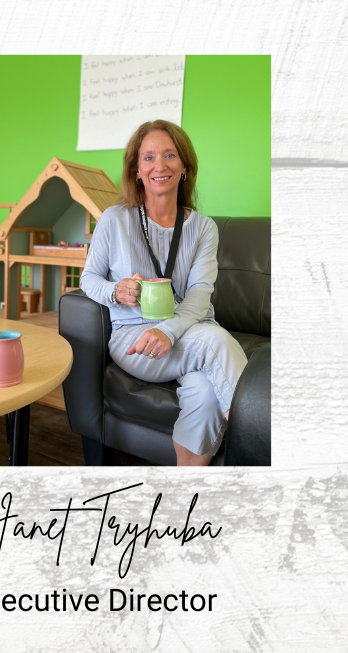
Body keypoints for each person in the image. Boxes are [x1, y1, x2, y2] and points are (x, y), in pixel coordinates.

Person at [81, 120, 246, 467]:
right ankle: (261, 441)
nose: (160, 165)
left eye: (170, 155)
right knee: (215, 342)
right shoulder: (114, 219)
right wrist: (116, 290)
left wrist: (168, 331)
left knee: (205, 394)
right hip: (136, 340)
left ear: (184, 167)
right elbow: (88, 279)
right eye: (149, 157)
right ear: (136, 170)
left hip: (188, 331)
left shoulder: (203, 228)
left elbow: (200, 292)